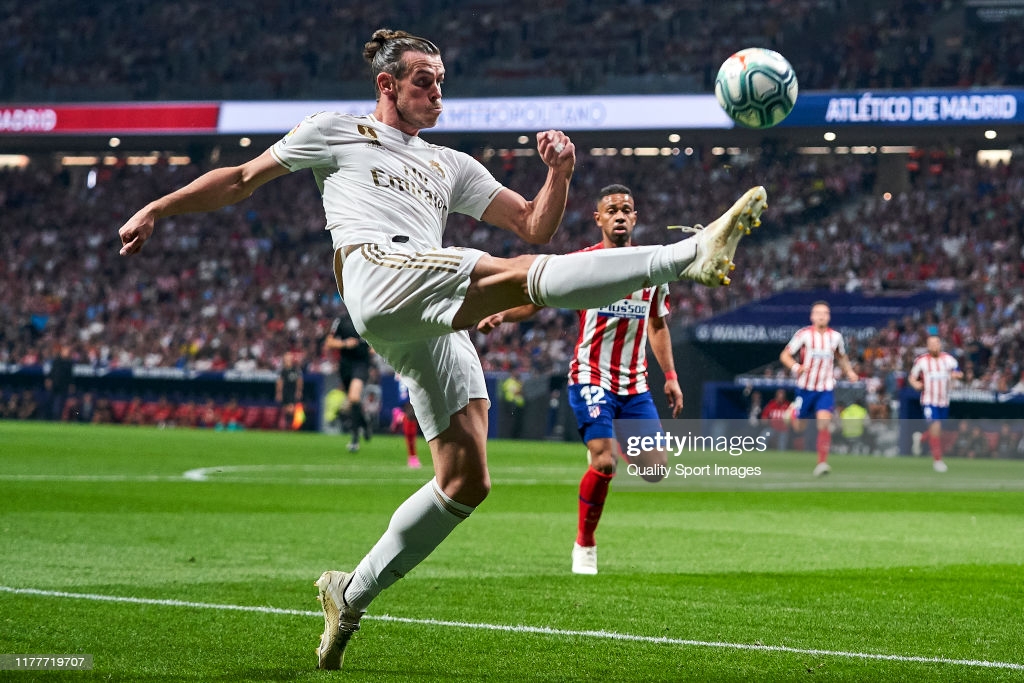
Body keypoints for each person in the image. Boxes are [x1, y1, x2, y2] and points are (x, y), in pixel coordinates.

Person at [117, 28, 766, 670]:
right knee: (510, 275)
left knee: (466, 479)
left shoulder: (448, 163)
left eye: (441, 82)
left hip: (425, 310)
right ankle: (686, 254)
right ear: (387, 84)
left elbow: (535, 223)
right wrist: (157, 206)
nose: (435, 93)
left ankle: (351, 591)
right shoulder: (335, 131)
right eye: (423, 80)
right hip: (376, 270)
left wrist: (559, 174)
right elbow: (238, 179)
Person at [479, 184, 683, 575]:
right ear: (599, 219)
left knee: (655, 470)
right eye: (612, 210)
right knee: (605, 463)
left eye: (627, 209)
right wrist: (503, 314)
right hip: (591, 375)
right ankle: (585, 544)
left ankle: (606, 441)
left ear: (635, 218)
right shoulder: (581, 264)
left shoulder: (653, 270)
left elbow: (658, 324)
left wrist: (670, 376)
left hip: (635, 384)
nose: (620, 215)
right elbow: (536, 298)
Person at [780, 301, 859, 476]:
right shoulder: (803, 335)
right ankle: (794, 412)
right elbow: (785, 355)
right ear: (812, 316)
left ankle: (822, 463)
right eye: (818, 313)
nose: (822, 316)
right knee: (799, 427)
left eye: (825, 313)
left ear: (829, 316)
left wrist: (850, 372)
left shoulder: (835, 337)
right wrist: (796, 367)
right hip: (805, 387)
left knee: (824, 424)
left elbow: (841, 357)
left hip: (825, 388)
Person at [908, 335, 962, 472]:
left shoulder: (948, 360)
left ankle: (921, 438)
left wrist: (956, 375)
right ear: (927, 346)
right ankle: (938, 461)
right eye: (931, 344)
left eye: (936, 343)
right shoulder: (921, 361)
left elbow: (958, 372)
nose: (934, 346)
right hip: (929, 401)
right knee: (936, 427)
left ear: (940, 345)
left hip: (943, 401)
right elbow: (912, 377)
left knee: (938, 431)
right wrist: (916, 384)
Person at [324, 312, 373, 451]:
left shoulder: (365, 317)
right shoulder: (341, 320)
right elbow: (329, 341)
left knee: (353, 397)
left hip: (361, 364)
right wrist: (345, 343)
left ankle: (355, 439)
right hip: (345, 365)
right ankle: (364, 422)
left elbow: (376, 340)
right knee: (353, 401)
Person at [275, 351, 304, 431]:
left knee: (291, 409)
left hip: (292, 391)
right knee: (285, 409)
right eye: (286, 357)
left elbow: (299, 381)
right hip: (285, 392)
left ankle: (292, 426)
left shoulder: (296, 369)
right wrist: (279, 393)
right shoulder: (282, 370)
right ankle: (287, 426)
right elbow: (279, 382)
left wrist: (299, 391)